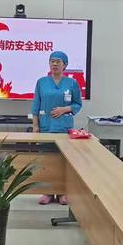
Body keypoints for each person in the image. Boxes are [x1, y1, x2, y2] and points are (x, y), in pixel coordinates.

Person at [31, 51, 82, 205]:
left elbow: (77, 104)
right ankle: (47, 192)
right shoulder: (42, 82)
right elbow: (36, 105)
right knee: (46, 161)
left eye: (58, 62)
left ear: (65, 65)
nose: (54, 64)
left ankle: (61, 193)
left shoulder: (72, 83)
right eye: (52, 61)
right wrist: (35, 126)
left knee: (62, 162)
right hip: (46, 128)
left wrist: (64, 109)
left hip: (64, 129)